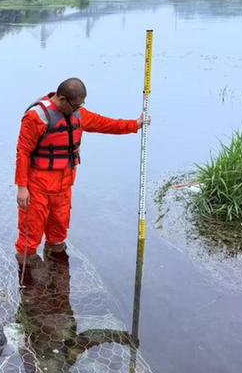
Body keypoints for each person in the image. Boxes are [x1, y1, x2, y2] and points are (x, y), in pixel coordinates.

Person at [14, 77, 144, 263]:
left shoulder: (77, 113)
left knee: (59, 232)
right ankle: (27, 280)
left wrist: (134, 125)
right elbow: (23, 152)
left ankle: (57, 276)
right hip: (37, 185)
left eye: (81, 105)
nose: (79, 109)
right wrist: (22, 187)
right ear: (63, 99)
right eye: (76, 105)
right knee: (30, 234)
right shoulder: (36, 117)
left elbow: (105, 124)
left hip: (64, 184)